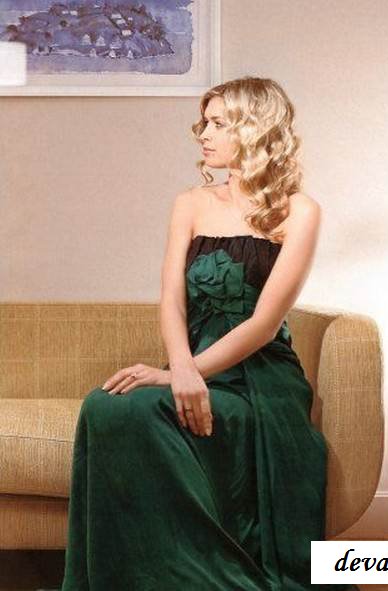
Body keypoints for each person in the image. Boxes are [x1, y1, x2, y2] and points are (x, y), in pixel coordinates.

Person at [60, 76, 359, 590]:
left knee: (142, 409)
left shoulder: (299, 211)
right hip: (191, 364)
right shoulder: (190, 203)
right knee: (105, 405)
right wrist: (179, 369)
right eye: (205, 122)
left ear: (255, 128)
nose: (204, 133)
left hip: (259, 379)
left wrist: (187, 373)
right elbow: (172, 300)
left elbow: (264, 324)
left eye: (219, 123)